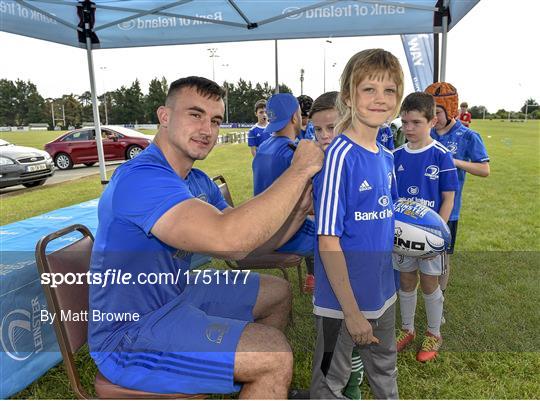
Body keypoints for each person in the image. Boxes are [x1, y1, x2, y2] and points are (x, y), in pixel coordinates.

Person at [88, 76, 324, 399]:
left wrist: (297, 213)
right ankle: (264, 373)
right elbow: (231, 239)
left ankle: (257, 383)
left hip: (177, 293)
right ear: (165, 116)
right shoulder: (140, 178)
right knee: (275, 354)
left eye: (215, 120)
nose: (207, 130)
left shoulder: (197, 180)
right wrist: (297, 172)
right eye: (195, 115)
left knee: (278, 292)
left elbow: (246, 249)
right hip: (130, 333)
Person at [310, 48, 404, 400]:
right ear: (348, 96)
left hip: (382, 293)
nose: (380, 99)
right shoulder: (339, 156)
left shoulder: (385, 155)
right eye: (369, 89)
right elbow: (328, 241)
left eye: (389, 90)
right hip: (341, 304)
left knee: (384, 370)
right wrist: (351, 313)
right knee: (330, 381)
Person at [392, 92, 458, 362]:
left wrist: (436, 236)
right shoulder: (395, 156)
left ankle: (434, 333)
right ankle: (407, 329)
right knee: (406, 280)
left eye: (415, 123)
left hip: (430, 236)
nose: (408, 128)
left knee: (430, 283)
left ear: (432, 121)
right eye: (404, 122)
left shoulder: (442, 155)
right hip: (403, 234)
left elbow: (448, 198)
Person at [425, 82, 490, 308]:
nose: (433, 118)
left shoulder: (467, 136)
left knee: (442, 257)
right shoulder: (426, 132)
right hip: (422, 207)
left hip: (449, 209)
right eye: (429, 113)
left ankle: (438, 300)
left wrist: (453, 162)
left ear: (450, 110)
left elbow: (484, 169)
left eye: (437, 113)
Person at [252, 93, 316, 258]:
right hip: (286, 233)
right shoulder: (293, 152)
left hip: (262, 227)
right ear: (295, 117)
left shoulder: (263, 148)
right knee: (339, 237)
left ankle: (312, 277)